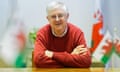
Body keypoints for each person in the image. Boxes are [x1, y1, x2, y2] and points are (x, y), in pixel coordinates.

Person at [33, 1, 91, 68]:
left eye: (60, 15)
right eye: (53, 16)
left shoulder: (77, 33)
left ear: (67, 16)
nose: (57, 19)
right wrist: (70, 57)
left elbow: (86, 61)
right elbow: (38, 60)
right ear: (48, 19)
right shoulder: (42, 33)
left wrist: (53, 55)